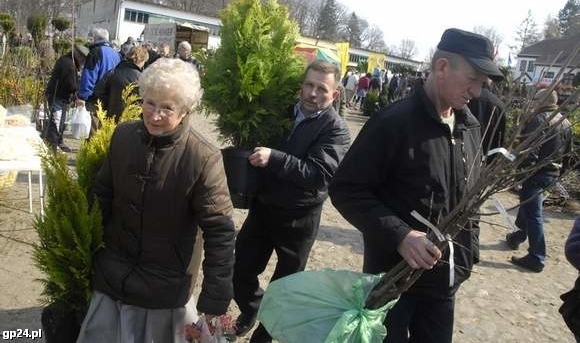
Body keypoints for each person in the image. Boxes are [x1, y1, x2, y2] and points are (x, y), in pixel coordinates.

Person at [329, 28, 504, 343]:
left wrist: (469, 256)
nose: (477, 93)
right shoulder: (393, 124)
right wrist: (401, 236)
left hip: (445, 286)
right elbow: (346, 190)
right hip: (394, 286)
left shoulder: (470, 127)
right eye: (473, 79)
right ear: (442, 68)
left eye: (482, 84)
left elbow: (469, 202)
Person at [76, 58, 236, 342]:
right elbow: (101, 195)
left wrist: (214, 302)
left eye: (167, 108)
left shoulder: (203, 157)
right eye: (150, 103)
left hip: (164, 289)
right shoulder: (123, 136)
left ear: (185, 110)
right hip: (113, 277)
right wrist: (83, 255)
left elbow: (220, 233)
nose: (155, 115)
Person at [233, 60, 351, 342]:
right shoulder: (282, 112)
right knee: (241, 269)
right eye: (309, 85)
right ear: (301, 85)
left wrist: (274, 158)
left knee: (285, 287)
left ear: (334, 95)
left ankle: (263, 336)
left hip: (299, 218)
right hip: (264, 209)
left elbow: (316, 174)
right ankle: (251, 309)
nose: (313, 93)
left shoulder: (336, 130)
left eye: (322, 89)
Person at [507, 88, 573, 272]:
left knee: (534, 215)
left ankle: (537, 257)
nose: (533, 102)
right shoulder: (564, 121)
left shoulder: (538, 120)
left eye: (535, 99)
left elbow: (530, 153)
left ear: (543, 101)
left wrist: (520, 175)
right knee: (528, 207)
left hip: (536, 174)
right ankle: (517, 237)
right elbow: (568, 152)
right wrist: (560, 174)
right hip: (551, 173)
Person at [43, 44, 89, 151]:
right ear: (77, 55)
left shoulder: (70, 62)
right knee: (56, 121)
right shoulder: (68, 64)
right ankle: (52, 146)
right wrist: (78, 95)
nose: (83, 60)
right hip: (57, 95)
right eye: (82, 57)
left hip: (61, 96)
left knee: (62, 121)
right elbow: (71, 84)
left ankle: (58, 142)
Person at [75, 27, 121, 133]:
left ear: (95, 38)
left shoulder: (96, 52)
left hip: (95, 98)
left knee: (93, 131)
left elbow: (89, 75)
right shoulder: (116, 54)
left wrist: (82, 96)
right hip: (110, 97)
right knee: (104, 130)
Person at [92, 45, 149, 121]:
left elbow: (98, 93)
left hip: (110, 119)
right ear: (141, 60)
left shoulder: (112, 72)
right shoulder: (142, 79)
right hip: (132, 121)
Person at [467, 82, 506, 160]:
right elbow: (500, 136)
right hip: (488, 157)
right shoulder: (499, 104)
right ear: (490, 83)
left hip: (466, 153)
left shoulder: (466, 98)